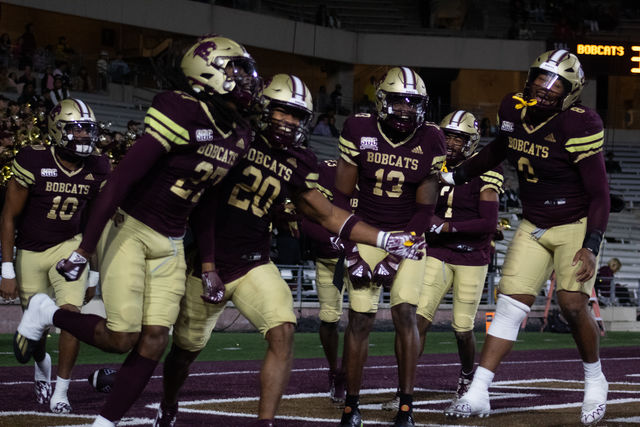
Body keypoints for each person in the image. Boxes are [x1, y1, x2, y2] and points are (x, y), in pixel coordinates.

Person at [12, 35, 262, 427]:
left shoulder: (240, 133)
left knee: (155, 339)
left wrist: (209, 262)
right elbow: (119, 181)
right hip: (132, 228)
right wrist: (85, 250)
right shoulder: (180, 110)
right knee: (121, 337)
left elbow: (207, 201)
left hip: (173, 240)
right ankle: (47, 311)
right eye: (236, 69)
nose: (246, 79)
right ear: (206, 72)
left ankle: (104, 423)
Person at [153, 74, 424, 427]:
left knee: (283, 329)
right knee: (185, 351)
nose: (288, 122)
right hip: (208, 260)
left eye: (297, 116)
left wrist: (383, 239)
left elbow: (325, 212)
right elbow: (205, 204)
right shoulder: (236, 140)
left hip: (254, 262)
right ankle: (169, 403)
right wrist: (207, 264)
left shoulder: (299, 160)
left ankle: (265, 422)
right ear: (266, 109)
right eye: (283, 112)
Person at [441, 49, 610, 426]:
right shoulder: (513, 109)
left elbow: (599, 193)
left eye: (554, 84)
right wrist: (458, 176)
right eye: (539, 78)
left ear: (572, 91)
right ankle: (479, 391)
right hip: (533, 222)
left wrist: (592, 244)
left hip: (573, 223)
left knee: (570, 303)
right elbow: (500, 148)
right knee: (508, 306)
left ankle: (595, 380)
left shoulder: (579, 124)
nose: (544, 89)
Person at [334, 66, 446, 427]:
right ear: (383, 101)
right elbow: (341, 194)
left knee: (405, 314)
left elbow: (425, 209)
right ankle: (352, 405)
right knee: (360, 319)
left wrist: (397, 253)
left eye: (413, 103)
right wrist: (350, 244)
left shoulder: (431, 139)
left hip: (409, 234)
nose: (406, 110)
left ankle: (406, 406)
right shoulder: (358, 129)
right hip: (366, 230)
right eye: (399, 101)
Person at [382, 110, 503, 411]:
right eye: (448, 136)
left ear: (471, 142)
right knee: (417, 319)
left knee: (462, 328)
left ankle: (466, 375)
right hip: (435, 251)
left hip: (471, 256)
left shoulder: (486, 171)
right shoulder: (431, 165)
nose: (451, 143)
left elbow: (488, 223)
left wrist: (448, 226)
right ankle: (404, 390)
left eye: (459, 138)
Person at [0, 98, 110, 413]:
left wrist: (95, 272)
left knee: (71, 317)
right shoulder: (33, 160)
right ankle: (42, 363)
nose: (83, 137)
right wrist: (6, 269)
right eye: (76, 130)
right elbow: (9, 214)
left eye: (87, 130)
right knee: (34, 337)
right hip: (31, 250)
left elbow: (96, 223)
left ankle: (61, 391)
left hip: (70, 247)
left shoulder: (99, 166)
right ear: (57, 129)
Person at [300, 159, 357, 404]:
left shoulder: (377, 175)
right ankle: (335, 370)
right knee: (329, 318)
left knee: (360, 316)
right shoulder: (325, 171)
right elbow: (306, 218)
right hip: (328, 258)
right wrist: (334, 241)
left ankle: (346, 372)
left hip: (360, 259)